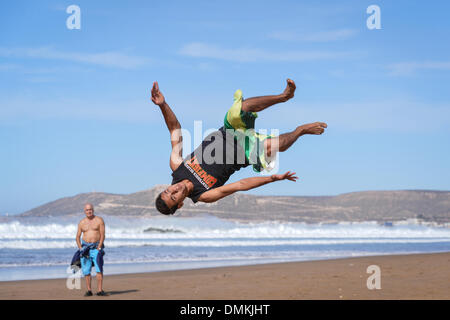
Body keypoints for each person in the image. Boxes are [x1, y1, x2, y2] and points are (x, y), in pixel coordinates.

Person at [151, 79, 327, 215]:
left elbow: (175, 129)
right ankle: (301, 130)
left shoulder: (177, 166)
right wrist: (273, 179)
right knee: (273, 147)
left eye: (169, 190)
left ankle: (284, 96)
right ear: (180, 204)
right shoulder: (204, 195)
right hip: (247, 152)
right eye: (174, 197)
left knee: (240, 109)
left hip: (229, 131)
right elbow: (241, 185)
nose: (175, 189)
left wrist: (163, 105)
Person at [75, 203, 106, 296]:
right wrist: (80, 248)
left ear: (93, 210)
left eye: (90, 209)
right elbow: (77, 237)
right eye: (87, 210)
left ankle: (100, 290)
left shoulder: (99, 220)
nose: (89, 211)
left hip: (96, 247)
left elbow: (102, 235)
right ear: (84, 211)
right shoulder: (81, 222)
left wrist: (99, 246)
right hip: (85, 249)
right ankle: (89, 290)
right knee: (86, 270)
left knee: (99, 269)